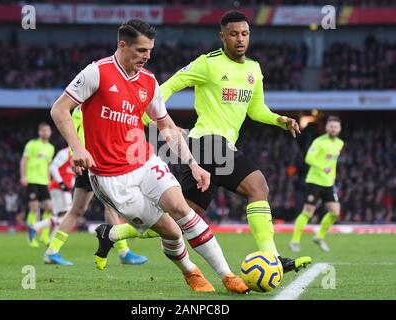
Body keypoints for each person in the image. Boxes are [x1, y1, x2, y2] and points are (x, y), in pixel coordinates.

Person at [51, 19, 249, 293]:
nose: (147, 56)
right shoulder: (97, 73)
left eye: (150, 50)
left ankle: (228, 276)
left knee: (183, 210)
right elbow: (59, 110)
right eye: (141, 50)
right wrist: (78, 147)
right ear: (122, 45)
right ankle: (190, 271)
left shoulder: (149, 81)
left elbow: (166, 126)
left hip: (144, 161)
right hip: (110, 178)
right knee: (171, 231)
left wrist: (193, 164)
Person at [159, 10, 311, 273]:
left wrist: (278, 119)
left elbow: (256, 109)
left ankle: (114, 234)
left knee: (184, 213)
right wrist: (154, 118)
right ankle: (272, 258)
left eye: (244, 33)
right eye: (233, 34)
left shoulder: (253, 69)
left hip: (219, 146)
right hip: (206, 142)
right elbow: (167, 87)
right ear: (222, 36)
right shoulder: (208, 64)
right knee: (258, 186)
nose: (240, 39)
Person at [44, 107, 149, 266]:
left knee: (77, 209)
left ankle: (52, 251)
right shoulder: (86, 106)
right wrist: (76, 156)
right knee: (111, 207)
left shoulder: (87, 104)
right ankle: (124, 252)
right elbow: (78, 132)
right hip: (95, 162)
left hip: (90, 161)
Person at [289, 116, 344, 252]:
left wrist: (333, 176)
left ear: (339, 129)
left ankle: (319, 237)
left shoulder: (340, 143)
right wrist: (322, 167)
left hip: (328, 183)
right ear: (326, 128)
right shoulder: (319, 142)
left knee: (335, 212)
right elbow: (308, 158)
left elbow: (333, 163)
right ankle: (295, 241)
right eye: (331, 126)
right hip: (314, 181)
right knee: (308, 212)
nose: (333, 129)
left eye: (336, 127)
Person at [28, 147, 74, 245]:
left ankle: (36, 227)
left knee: (60, 216)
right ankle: (49, 238)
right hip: (59, 187)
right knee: (67, 214)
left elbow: (71, 174)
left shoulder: (75, 154)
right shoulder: (65, 152)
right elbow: (52, 167)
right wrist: (61, 183)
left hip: (65, 189)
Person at [20, 122, 54, 247]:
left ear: (50, 132)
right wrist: (23, 176)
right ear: (39, 132)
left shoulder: (51, 148)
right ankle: (31, 237)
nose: (45, 132)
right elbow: (24, 160)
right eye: (43, 130)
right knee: (34, 208)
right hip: (32, 180)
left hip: (44, 181)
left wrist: (49, 179)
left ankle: (44, 236)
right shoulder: (32, 144)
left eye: (47, 130)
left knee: (49, 208)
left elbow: (49, 165)